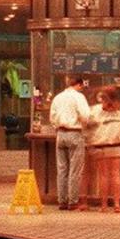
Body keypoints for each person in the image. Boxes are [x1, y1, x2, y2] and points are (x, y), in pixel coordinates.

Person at [86, 85, 120, 213]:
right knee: (116, 174)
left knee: (103, 175)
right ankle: (117, 205)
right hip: (116, 145)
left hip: (101, 145)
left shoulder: (95, 110)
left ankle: (104, 206)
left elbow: (87, 123)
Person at [49, 74, 91, 210]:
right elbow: (85, 115)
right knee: (75, 170)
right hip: (74, 133)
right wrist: (84, 125)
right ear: (79, 85)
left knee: (61, 170)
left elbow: (52, 117)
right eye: (82, 86)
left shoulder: (58, 97)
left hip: (60, 134)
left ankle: (62, 201)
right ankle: (73, 202)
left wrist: (58, 126)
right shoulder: (79, 97)